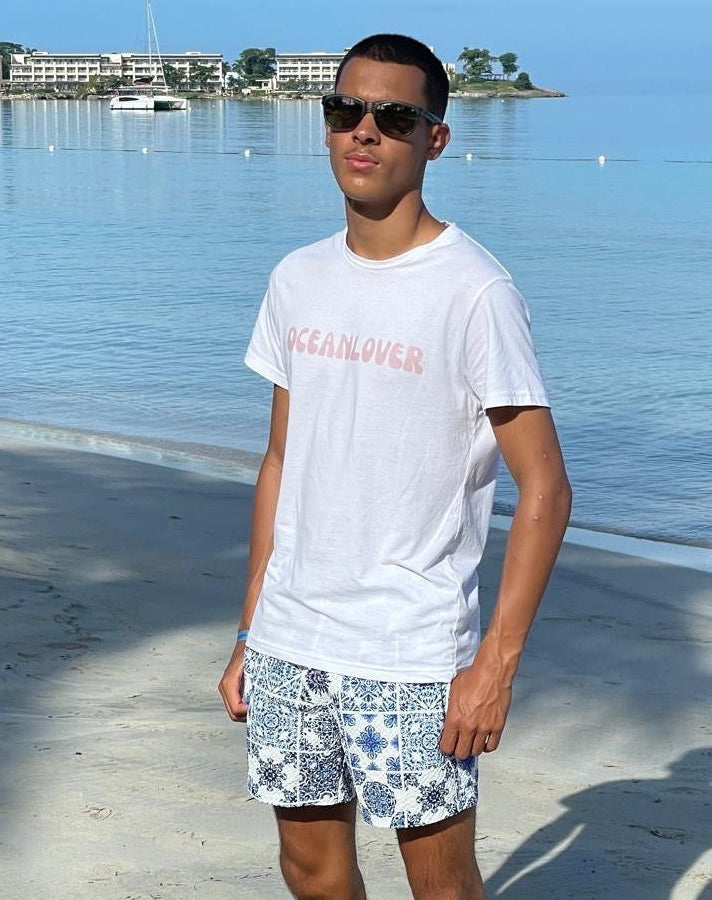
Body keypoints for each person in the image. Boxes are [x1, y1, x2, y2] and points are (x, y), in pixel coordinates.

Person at [219, 32, 573, 900]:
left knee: (440, 884)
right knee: (308, 868)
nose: (364, 132)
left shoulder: (474, 290)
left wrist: (494, 666)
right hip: (291, 638)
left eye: (393, 116)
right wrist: (248, 630)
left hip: (410, 648)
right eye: (346, 110)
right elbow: (279, 460)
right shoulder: (296, 278)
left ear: (434, 139)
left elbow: (547, 489)